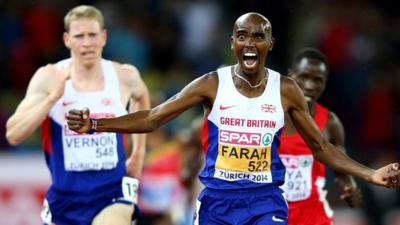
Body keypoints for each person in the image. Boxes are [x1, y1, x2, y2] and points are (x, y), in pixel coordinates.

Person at [66, 12, 400, 225]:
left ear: (270, 43)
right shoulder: (213, 84)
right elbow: (153, 117)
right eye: (243, 36)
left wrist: (371, 174)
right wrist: (95, 124)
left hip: (264, 201)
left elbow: (322, 148)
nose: (250, 43)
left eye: (258, 36)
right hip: (217, 202)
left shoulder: (286, 90)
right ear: (233, 43)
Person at [5, 5, 150, 225]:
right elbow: (14, 134)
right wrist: (51, 99)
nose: (86, 43)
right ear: (66, 39)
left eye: (92, 35)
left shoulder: (124, 76)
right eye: (79, 36)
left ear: (103, 37)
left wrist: (138, 152)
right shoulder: (49, 77)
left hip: (113, 192)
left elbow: (141, 97)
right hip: (65, 198)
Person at [278, 48, 362, 225]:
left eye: (318, 80)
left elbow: (341, 166)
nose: (310, 85)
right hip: (269, 213)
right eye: (304, 76)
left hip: (312, 217)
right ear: (290, 75)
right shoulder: (266, 116)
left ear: (325, 83)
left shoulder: (330, 123)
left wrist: (349, 185)